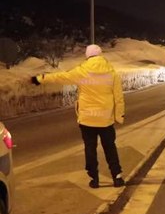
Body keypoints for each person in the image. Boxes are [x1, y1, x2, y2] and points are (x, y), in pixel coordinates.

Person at [31, 44, 125, 188]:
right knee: (110, 147)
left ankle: (94, 179)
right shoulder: (112, 73)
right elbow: (118, 97)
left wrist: (40, 78)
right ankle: (117, 177)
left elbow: (61, 77)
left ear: (88, 56)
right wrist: (119, 116)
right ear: (101, 55)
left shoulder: (82, 71)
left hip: (87, 119)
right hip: (105, 119)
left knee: (90, 148)